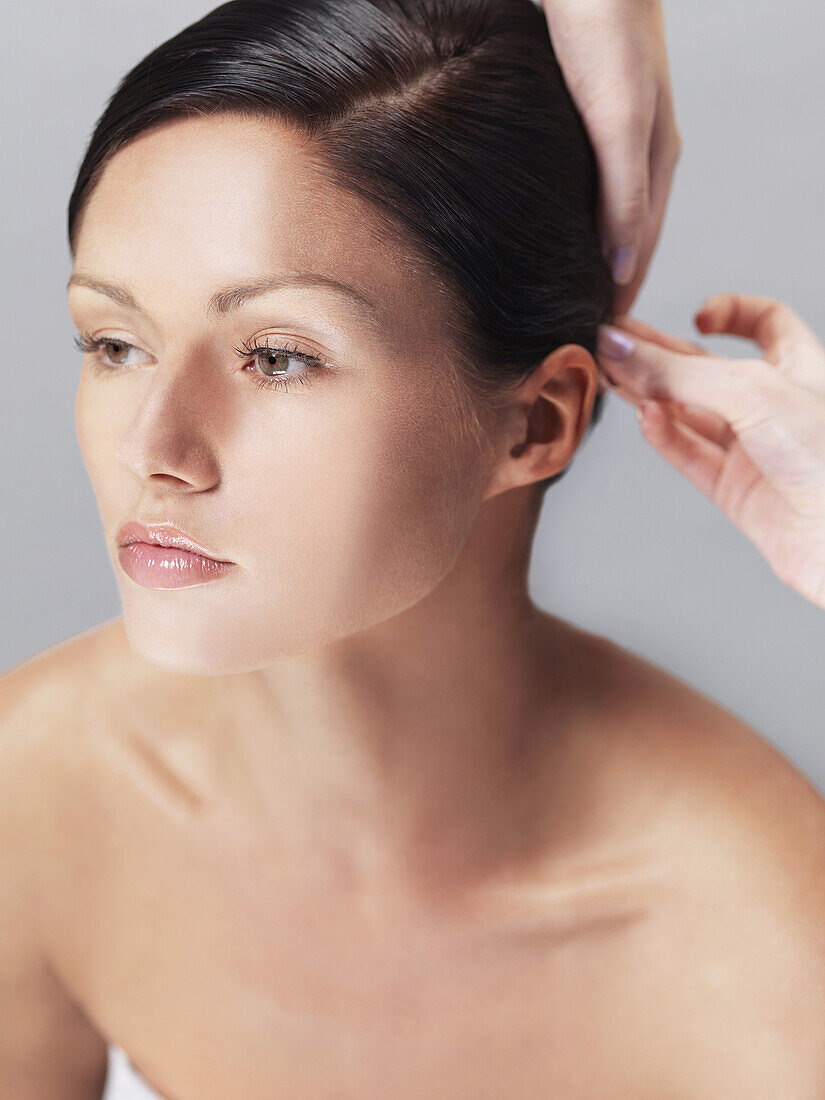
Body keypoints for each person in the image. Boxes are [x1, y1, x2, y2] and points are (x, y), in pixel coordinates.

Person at [2, 2, 824, 1099]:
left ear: (534, 423)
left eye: (278, 357)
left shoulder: (768, 939)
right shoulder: (37, 791)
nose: (157, 447)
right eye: (114, 342)